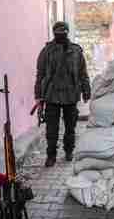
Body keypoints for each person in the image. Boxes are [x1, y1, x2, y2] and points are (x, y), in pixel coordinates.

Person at [34, 21, 91, 167]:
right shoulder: (47, 51)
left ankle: (68, 151)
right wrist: (38, 96)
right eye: (58, 33)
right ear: (54, 33)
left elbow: (82, 72)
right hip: (52, 95)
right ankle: (51, 155)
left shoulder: (76, 51)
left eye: (63, 33)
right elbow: (40, 75)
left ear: (67, 33)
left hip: (71, 95)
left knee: (70, 127)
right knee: (51, 129)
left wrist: (86, 90)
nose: (61, 35)